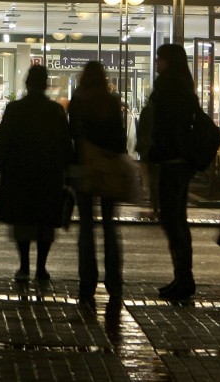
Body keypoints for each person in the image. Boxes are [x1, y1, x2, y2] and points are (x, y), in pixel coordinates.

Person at [0, 64, 72, 282]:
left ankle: (24, 266)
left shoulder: (15, 109)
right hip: (48, 174)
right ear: (45, 85)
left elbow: (3, 142)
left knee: (22, 222)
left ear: (27, 84)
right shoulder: (55, 111)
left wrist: (4, 166)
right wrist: (65, 170)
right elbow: (65, 145)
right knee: (45, 223)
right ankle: (41, 267)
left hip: (20, 173)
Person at [138, 43, 201, 300]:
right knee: (177, 219)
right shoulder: (185, 88)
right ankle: (182, 276)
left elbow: (161, 125)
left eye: (159, 59)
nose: (157, 64)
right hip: (181, 161)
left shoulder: (168, 88)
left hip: (170, 160)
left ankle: (184, 278)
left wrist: (154, 151)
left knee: (172, 220)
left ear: (169, 62)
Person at [68, 60, 127, 305]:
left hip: (84, 168)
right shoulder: (111, 101)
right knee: (110, 226)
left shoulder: (78, 101)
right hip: (109, 169)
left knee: (86, 227)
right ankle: (114, 283)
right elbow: (120, 139)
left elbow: (71, 135)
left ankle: (87, 283)